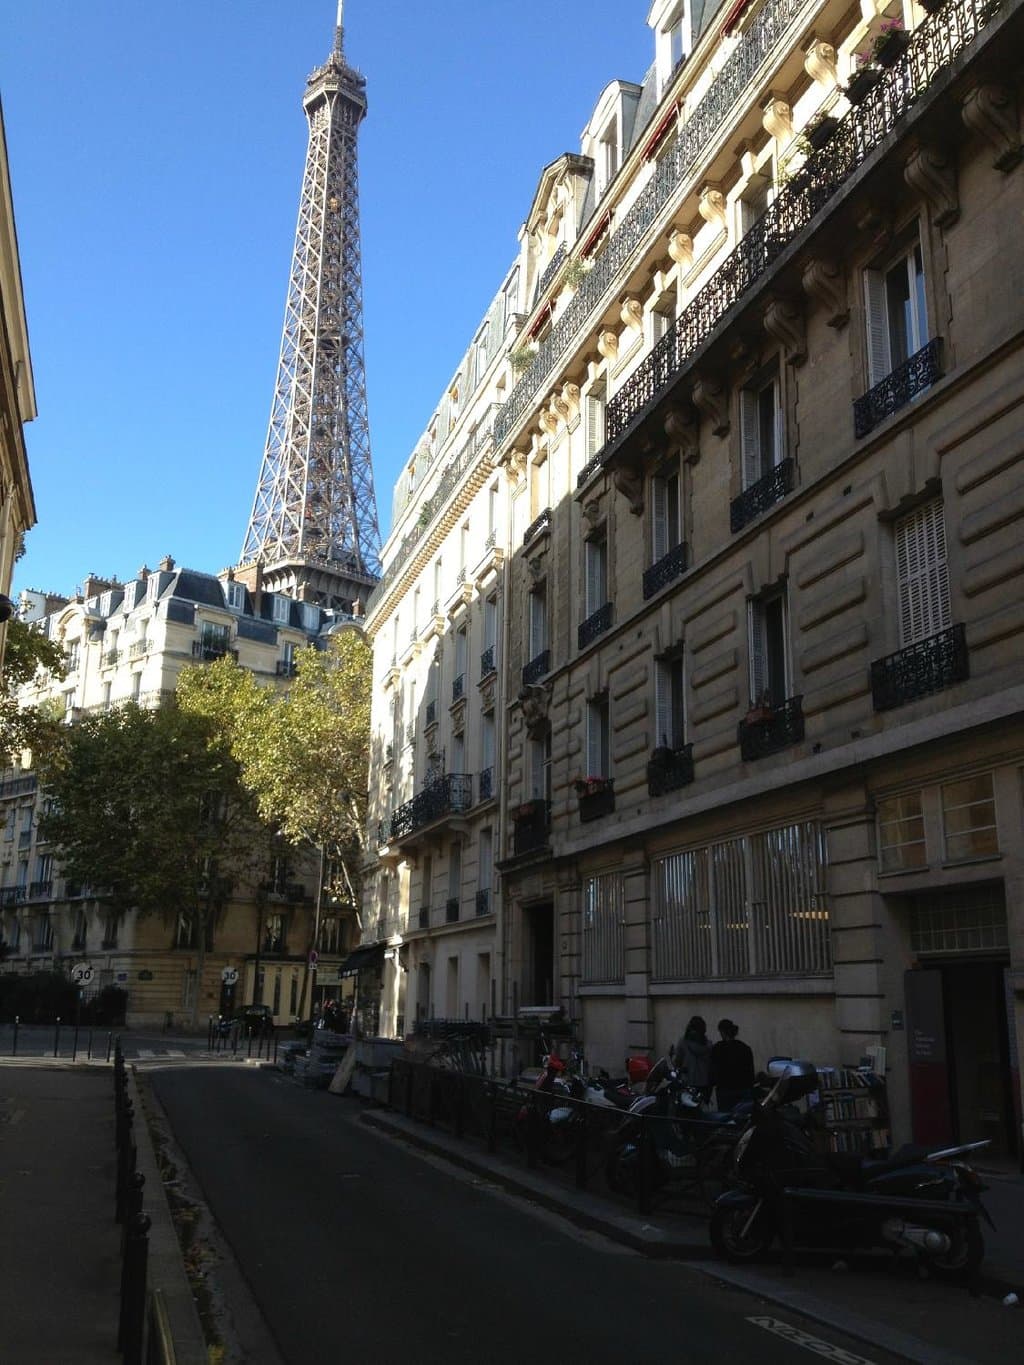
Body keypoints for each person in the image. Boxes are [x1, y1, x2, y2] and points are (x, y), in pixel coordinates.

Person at [711, 1018, 755, 1112]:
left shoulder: (717, 1048)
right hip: (743, 1088)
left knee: (726, 1120)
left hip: (725, 1090)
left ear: (722, 1032)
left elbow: (713, 1069)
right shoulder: (744, 1048)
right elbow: (750, 1071)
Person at [672, 1015, 712, 1099]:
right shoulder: (708, 1045)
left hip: (687, 1082)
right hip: (704, 1082)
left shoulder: (683, 1042)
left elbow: (677, 1062)